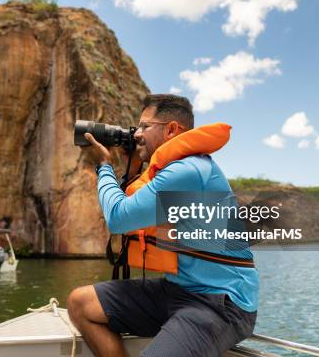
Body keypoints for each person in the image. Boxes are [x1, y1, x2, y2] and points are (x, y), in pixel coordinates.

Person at [67, 94, 259, 357]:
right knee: (81, 304)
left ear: (171, 130)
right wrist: (131, 168)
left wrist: (103, 165)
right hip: (177, 289)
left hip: (219, 302)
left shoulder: (189, 171)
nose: (136, 134)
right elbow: (133, 204)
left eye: (145, 126)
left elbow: (119, 218)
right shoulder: (168, 170)